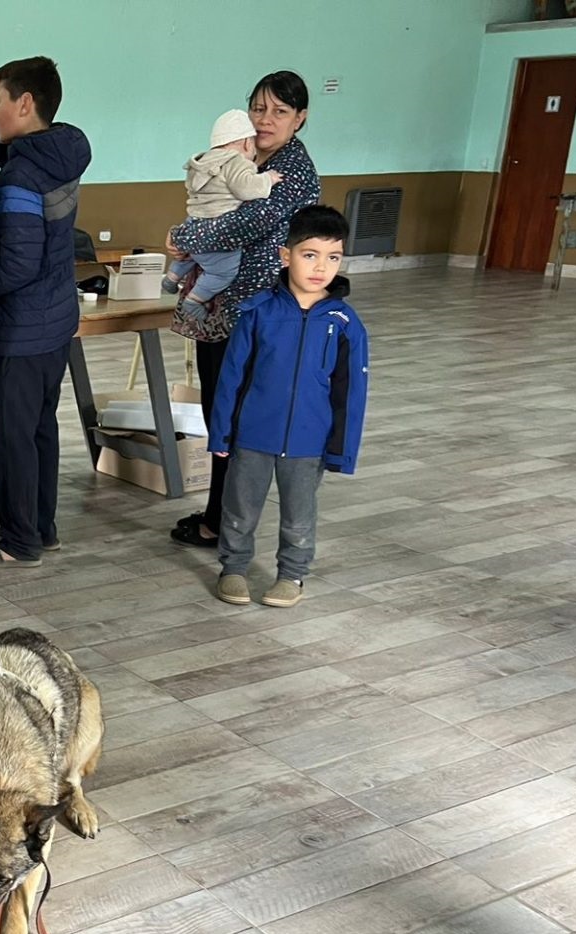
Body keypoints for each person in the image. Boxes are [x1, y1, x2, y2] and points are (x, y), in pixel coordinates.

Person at [166, 71, 320, 549]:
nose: (265, 120)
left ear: (301, 118)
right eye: (258, 109)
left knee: (239, 422)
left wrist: (181, 238)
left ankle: (226, 525)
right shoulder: (239, 155)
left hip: (259, 314)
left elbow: (240, 226)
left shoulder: (293, 172)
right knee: (220, 414)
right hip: (223, 308)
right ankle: (218, 514)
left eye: (279, 111)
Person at [0, 57, 91, 570]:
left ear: (24, 103)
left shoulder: (19, 177)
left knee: (10, 435)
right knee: (38, 428)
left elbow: (15, 261)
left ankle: (18, 541)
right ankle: (42, 528)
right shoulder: (60, 155)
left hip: (25, 323)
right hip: (57, 317)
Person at [209, 206, 368, 608]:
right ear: (286, 256)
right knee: (240, 510)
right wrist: (221, 432)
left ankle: (292, 576)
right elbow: (232, 379)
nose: (321, 267)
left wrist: (341, 450)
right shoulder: (257, 313)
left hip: (308, 442)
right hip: (253, 436)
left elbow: (350, 393)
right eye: (309, 254)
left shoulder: (345, 323)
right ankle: (233, 569)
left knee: (299, 516)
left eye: (332, 257)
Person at [163, 109, 284, 320]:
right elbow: (246, 188)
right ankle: (195, 300)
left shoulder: (201, 163)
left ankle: (172, 277)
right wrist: (268, 179)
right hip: (218, 228)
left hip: (193, 223)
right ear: (247, 143)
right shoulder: (237, 162)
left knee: (192, 252)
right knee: (222, 271)